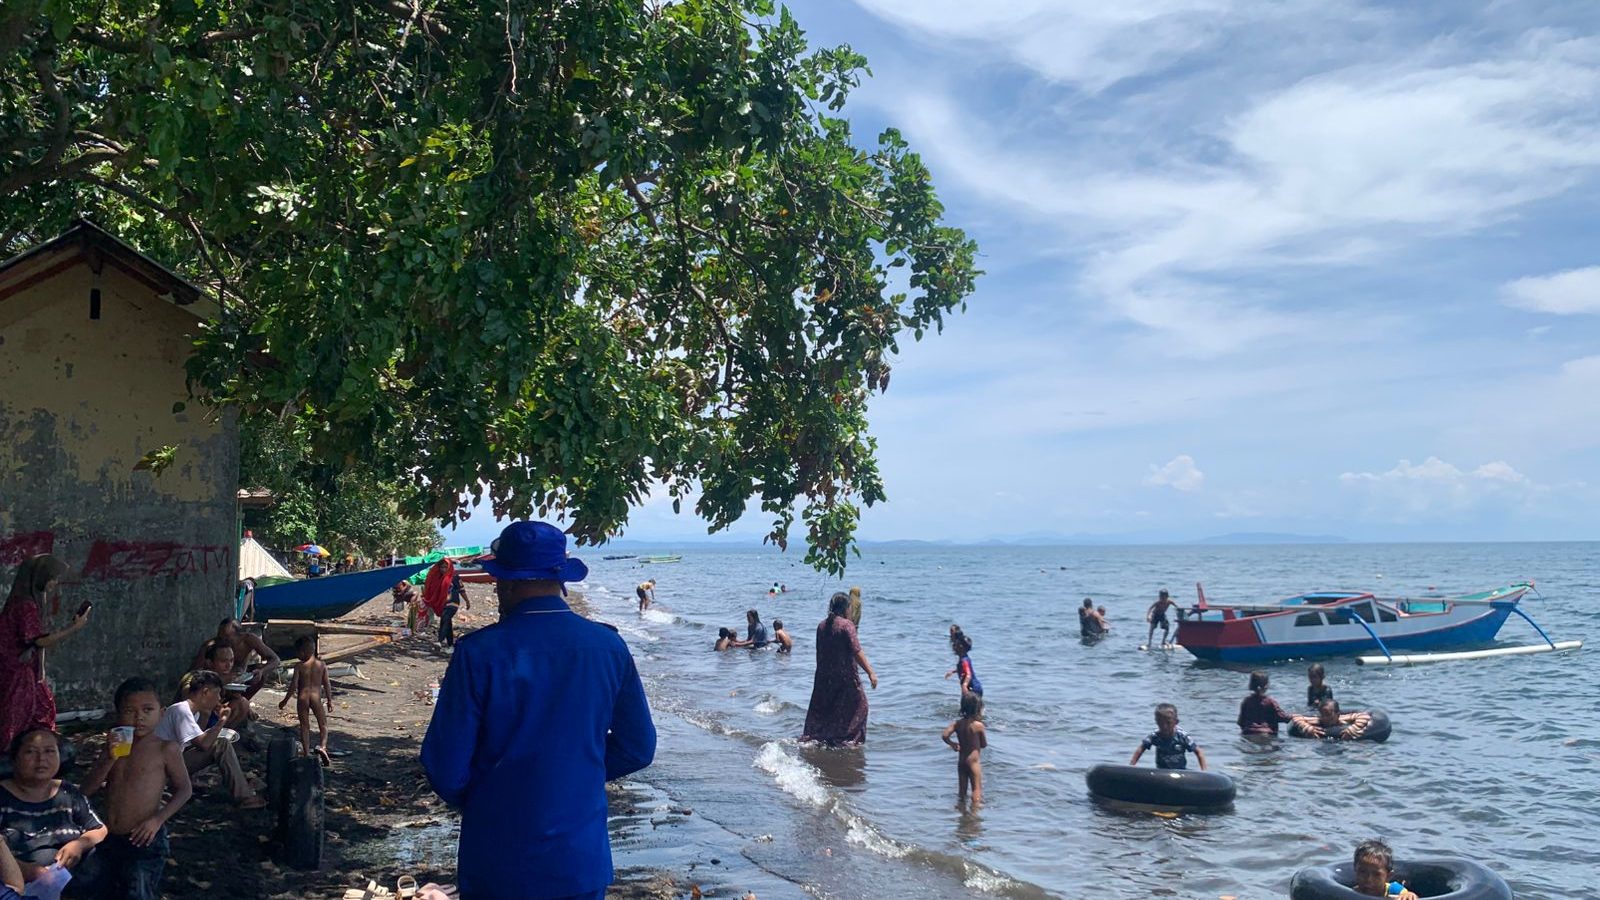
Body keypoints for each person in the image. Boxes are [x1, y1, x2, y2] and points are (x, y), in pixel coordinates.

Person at [422, 521, 655, 900]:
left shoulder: (478, 653)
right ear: (559, 578)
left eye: (498, 581)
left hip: (498, 859)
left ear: (508, 583)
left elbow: (445, 766)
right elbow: (638, 748)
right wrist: (575, 774)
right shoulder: (609, 647)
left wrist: (496, 793)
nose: (497, 590)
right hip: (578, 860)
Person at [80, 678, 192, 900]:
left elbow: (184, 790)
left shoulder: (165, 748)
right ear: (118, 714)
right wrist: (110, 758)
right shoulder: (115, 745)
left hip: (145, 837)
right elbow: (86, 790)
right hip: (108, 835)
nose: (139, 717)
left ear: (162, 713)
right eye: (130, 710)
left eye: (147, 710)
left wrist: (157, 820)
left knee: (138, 892)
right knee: (91, 888)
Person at [0, 728, 107, 888]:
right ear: (14, 759)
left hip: (72, 883)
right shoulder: (3, 797)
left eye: (49, 751)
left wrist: (79, 844)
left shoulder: (68, 792)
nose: (41, 759)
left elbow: (99, 830)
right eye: (31, 752)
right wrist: (24, 870)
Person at [0, 556, 88, 749]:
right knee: (15, 721)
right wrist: (73, 628)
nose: (54, 583)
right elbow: (39, 640)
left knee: (39, 713)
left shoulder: (27, 600)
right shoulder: (25, 605)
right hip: (17, 671)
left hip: (24, 670)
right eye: (52, 578)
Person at [153, 671, 267, 809]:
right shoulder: (181, 711)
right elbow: (204, 744)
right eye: (217, 694)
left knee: (220, 742)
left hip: (171, 763)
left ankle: (243, 792)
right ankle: (244, 797)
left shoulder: (191, 711)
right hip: (161, 770)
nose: (219, 699)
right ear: (205, 692)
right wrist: (222, 721)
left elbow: (195, 739)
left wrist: (206, 715)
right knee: (221, 744)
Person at [800, 593, 878, 745]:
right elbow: (857, 651)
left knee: (829, 709)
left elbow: (820, 651)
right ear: (846, 608)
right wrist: (871, 672)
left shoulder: (821, 625)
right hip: (845, 677)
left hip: (824, 677)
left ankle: (824, 738)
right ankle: (848, 742)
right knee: (861, 707)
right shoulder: (847, 625)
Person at [190, 618, 280, 701]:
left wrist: (261, 671)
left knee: (260, 674)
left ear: (239, 636)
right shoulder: (211, 646)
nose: (222, 641)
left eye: (227, 638)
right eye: (220, 637)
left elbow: (275, 660)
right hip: (218, 681)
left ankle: (243, 701)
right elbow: (194, 673)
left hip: (239, 680)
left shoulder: (249, 640)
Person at [280, 636, 333, 765]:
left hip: (302, 697)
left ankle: (306, 753)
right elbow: (327, 684)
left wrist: (285, 700)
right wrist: (330, 701)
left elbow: (293, 686)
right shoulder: (322, 665)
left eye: (297, 652)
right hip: (316, 697)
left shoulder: (299, 666)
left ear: (303, 652)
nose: (297, 655)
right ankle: (323, 746)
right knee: (323, 724)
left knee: (304, 726)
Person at [941, 692, 988, 808]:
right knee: (976, 788)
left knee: (962, 790)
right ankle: (975, 813)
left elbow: (945, 735)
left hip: (961, 761)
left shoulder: (957, 724)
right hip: (973, 762)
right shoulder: (979, 726)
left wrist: (952, 744)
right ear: (978, 708)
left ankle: (961, 809)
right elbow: (983, 744)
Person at [1129, 703, 1208, 770]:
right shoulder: (1155, 736)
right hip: (1162, 773)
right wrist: (1132, 765)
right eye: (1160, 723)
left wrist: (1204, 771)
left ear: (1176, 722)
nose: (1164, 726)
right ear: (1156, 722)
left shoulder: (1182, 736)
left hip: (1181, 771)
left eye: (1168, 723)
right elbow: (1141, 749)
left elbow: (1199, 752)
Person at [1353, 839, 1420, 899]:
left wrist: (1409, 895)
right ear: (1355, 870)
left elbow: (1408, 896)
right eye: (1362, 872)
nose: (1368, 879)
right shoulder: (1355, 892)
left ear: (1388, 876)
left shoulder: (1394, 889)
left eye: (1376, 874)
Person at [1237, 671, 1294, 735]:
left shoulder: (1246, 701)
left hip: (1248, 732)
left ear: (1251, 685)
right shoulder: (1270, 702)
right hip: (1265, 733)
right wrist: (1293, 717)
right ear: (1266, 686)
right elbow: (1283, 717)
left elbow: (1240, 722)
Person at [1291, 699, 1373, 741]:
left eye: (1328, 714)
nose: (1325, 718)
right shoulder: (1318, 720)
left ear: (1337, 715)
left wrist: (1351, 730)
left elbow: (1365, 716)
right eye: (1322, 714)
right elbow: (1295, 717)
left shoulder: (1344, 719)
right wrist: (1308, 728)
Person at [943, 627, 983, 696]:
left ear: (961, 648)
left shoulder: (964, 660)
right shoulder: (965, 658)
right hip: (975, 688)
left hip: (972, 689)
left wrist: (964, 685)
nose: (953, 647)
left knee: (967, 706)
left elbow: (968, 674)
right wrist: (953, 672)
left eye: (955, 645)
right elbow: (963, 669)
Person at [440, 573, 470, 648]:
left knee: (445, 618)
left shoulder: (455, 577)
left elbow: (462, 590)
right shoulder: (438, 577)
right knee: (446, 621)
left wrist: (467, 601)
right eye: (442, 567)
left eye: (445, 567)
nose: (443, 569)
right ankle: (450, 644)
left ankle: (440, 639)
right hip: (443, 603)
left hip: (453, 602)